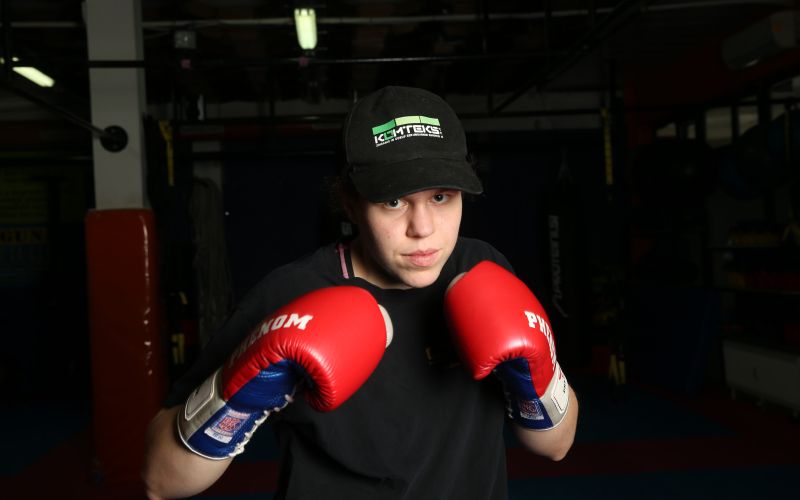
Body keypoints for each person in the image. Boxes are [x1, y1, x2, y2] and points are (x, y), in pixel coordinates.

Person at [142, 85, 579, 500]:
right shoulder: (292, 294)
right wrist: (237, 395)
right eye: (394, 201)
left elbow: (556, 446)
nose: (423, 228)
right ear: (349, 203)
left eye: (441, 197)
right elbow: (161, 481)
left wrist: (533, 380)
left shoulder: (482, 269)